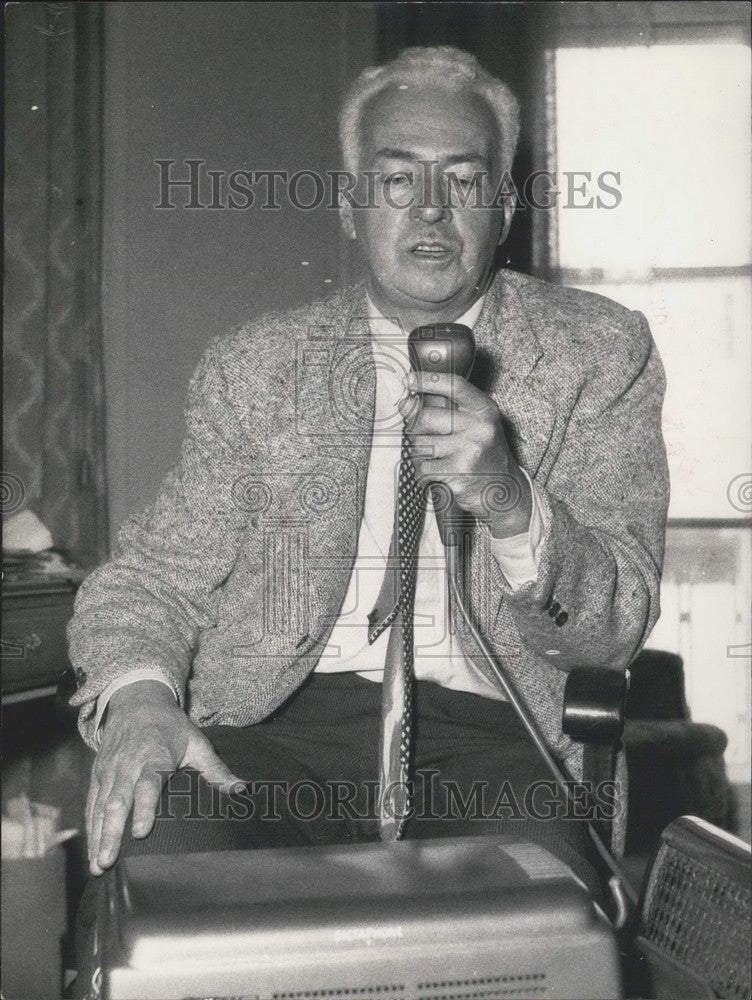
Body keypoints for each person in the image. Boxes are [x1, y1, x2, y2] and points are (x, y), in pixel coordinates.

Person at [68, 44, 669, 967]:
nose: (431, 210)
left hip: (503, 745)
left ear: (505, 206)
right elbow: (148, 580)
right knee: (158, 865)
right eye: (397, 180)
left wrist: (510, 499)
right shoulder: (255, 368)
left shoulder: (600, 352)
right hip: (277, 734)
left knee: (541, 941)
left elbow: (613, 626)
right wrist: (144, 699)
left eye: (464, 179)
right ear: (351, 206)